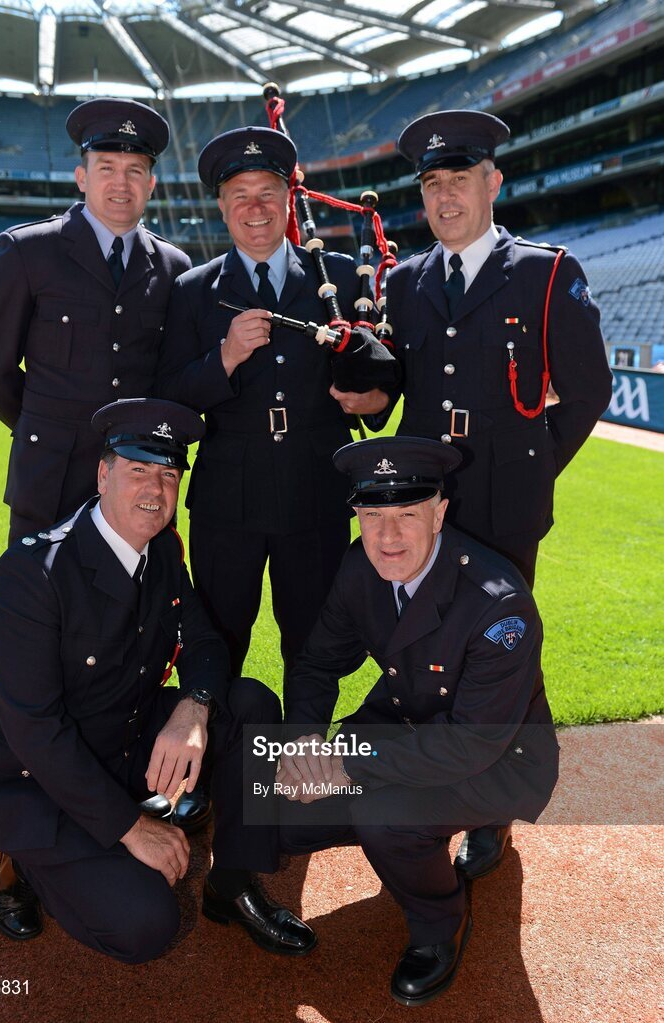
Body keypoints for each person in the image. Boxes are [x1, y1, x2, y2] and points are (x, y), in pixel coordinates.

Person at [349, 109, 611, 876]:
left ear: (492, 182)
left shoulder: (544, 271)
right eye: (432, 183)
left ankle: (491, 809)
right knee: (433, 652)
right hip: (427, 510)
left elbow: (587, 390)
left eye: (459, 179)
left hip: (503, 509)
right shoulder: (404, 282)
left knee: (500, 655)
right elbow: (393, 390)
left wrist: (529, 468)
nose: (445, 196)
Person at [0, 398, 316, 963]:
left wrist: (195, 707)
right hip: (44, 781)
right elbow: (36, 732)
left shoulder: (161, 554)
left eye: (168, 474)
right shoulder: (30, 575)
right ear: (102, 474)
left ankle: (232, 881)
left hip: (125, 741)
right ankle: (25, 858)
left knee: (250, 704)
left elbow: (203, 641)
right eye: (137, 470)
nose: (154, 489)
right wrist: (132, 828)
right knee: (146, 926)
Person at [276, 436, 559, 1006]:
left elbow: (470, 746)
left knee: (384, 816)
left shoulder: (497, 602)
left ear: (440, 512)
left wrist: (346, 763)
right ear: (356, 514)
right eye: (372, 514)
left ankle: (440, 922)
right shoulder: (360, 566)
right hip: (407, 722)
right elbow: (318, 662)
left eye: (407, 514)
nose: (388, 536)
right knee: (280, 808)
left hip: (498, 756)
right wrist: (305, 740)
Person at [157, 126, 382, 829]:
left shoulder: (337, 277)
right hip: (228, 496)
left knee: (309, 640)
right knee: (219, 634)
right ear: (221, 208)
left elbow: (379, 378)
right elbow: (170, 397)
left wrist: (374, 399)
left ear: (288, 201)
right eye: (238, 196)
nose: (254, 208)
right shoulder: (194, 290)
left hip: (315, 492)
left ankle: (296, 766)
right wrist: (222, 358)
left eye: (267, 194)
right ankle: (214, 769)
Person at [0, 98, 191, 545]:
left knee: (133, 606)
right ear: (82, 177)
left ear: (151, 183)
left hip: (137, 478)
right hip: (49, 473)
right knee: (39, 604)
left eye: (134, 170)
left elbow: (171, 374)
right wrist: (42, 426)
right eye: (106, 168)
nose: (120, 184)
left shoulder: (174, 266)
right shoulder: (27, 250)